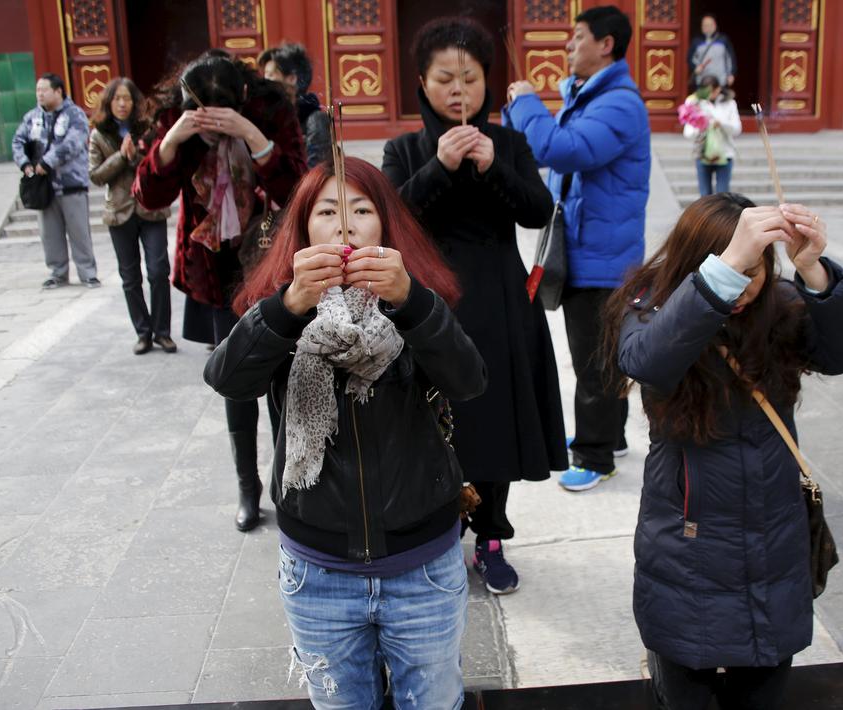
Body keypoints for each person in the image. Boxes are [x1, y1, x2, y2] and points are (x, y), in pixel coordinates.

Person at [204, 156, 485, 709]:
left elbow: (469, 380)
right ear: (304, 228)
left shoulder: (416, 299)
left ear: (386, 225)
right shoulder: (285, 308)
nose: (346, 227)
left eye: (362, 210)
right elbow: (227, 378)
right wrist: (286, 308)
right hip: (318, 571)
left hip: (422, 565)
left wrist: (413, 302)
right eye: (327, 212)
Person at [608, 193, 843, 708]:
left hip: (773, 524)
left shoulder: (779, 305)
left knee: (765, 677)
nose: (746, 283)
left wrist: (813, 270)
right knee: (684, 677)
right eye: (735, 266)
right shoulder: (652, 302)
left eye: (756, 269)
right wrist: (727, 269)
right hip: (688, 530)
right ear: (697, 263)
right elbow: (645, 359)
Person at [382, 17, 568, 595]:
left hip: (498, 298)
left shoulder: (509, 143)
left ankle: (490, 537)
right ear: (422, 82)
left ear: (487, 82)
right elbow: (391, 220)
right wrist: (438, 165)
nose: (458, 90)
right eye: (445, 78)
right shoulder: (403, 148)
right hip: (425, 300)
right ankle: (434, 534)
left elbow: (539, 210)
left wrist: (494, 167)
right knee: (427, 420)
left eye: (469, 77)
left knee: (493, 420)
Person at [134, 52, 307, 532]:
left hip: (271, 262)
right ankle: (247, 488)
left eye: (221, 110)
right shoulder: (177, 117)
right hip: (215, 269)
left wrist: (252, 135)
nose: (211, 117)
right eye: (201, 109)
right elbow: (148, 197)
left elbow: (298, 187)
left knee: (283, 376)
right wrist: (172, 140)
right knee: (236, 381)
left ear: (242, 95)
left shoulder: (270, 108)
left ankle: (285, 483)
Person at [506, 5, 651, 492]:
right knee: (604, 354)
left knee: (593, 361)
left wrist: (527, 103)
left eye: (577, 36)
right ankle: (609, 434)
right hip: (590, 248)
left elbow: (562, 150)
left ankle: (595, 453)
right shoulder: (589, 98)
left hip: (602, 260)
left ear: (606, 44)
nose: (568, 45)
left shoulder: (619, 104)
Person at [88, 77, 176, 355]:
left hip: (151, 208)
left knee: (159, 270)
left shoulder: (149, 130)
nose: (123, 104)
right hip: (120, 212)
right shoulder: (99, 134)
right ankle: (143, 332)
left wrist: (137, 156)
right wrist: (120, 158)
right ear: (109, 102)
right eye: (117, 99)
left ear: (136, 102)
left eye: (127, 99)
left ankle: (163, 332)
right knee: (130, 276)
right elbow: (96, 175)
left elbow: (160, 166)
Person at [12, 73, 99, 290]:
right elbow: (18, 141)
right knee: (49, 233)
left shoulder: (75, 115)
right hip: (43, 186)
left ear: (58, 91)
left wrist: (47, 162)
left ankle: (87, 272)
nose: (40, 94)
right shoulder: (31, 117)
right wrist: (25, 164)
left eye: (44, 90)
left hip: (71, 183)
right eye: (37, 90)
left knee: (79, 231)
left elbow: (73, 142)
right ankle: (57, 272)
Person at [259, 42, 331, 169]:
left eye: (270, 75)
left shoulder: (314, 119)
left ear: (292, 78)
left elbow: (315, 173)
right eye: (265, 74)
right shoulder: (270, 116)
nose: (265, 81)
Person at [680, 75, 741, 197]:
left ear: (718, 89)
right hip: (702, 154)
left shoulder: (729, 103)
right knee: (705, 197)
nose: (710, 94)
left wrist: (721, 124)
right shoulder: (694, 103)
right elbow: (688, 133)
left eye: (712, 91)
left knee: (723, 197)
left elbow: (737, 129)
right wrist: (702, 124)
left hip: (725, 153)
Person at [688, 14, 736, 90]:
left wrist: (731, 74)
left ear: (715, 25)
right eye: (705, 25)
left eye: (709, 25)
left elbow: (731, 59)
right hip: (702, 80)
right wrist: (695, 68)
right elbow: (689, 58)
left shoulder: (723, 40)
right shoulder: (696, 41)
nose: (707, 27)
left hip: (721, 80)